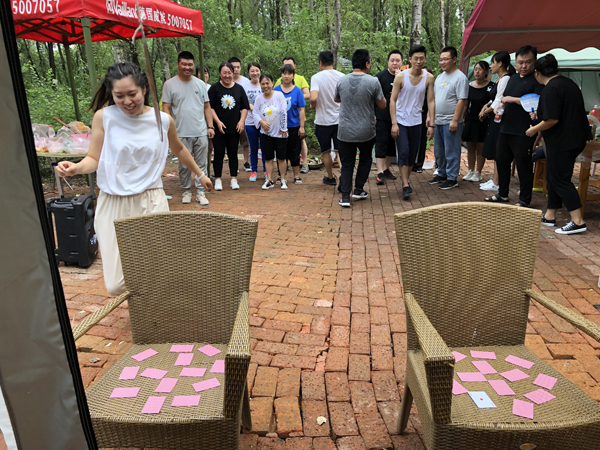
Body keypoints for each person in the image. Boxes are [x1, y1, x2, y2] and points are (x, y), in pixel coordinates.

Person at [55, 62, 212, 295]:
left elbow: (179, 148)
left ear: (144, 89)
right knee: (116, 284)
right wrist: (76, 168)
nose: (127, 101)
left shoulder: (163, 120)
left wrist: (200, 174)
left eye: (132, 94)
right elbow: (94, 158)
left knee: (156, 274)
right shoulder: (104, 117)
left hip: (151, 199)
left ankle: (150, 311)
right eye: (119, 96)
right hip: (113, 202)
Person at [525, 54, 591, 234]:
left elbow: (552, 119)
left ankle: (577, 221)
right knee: (554, 176)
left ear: (537, 73)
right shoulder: (568, 84)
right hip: (575, 138)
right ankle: (550, 215)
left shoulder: (550, 89)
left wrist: (533, 129)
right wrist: (540, 116)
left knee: (560, 179)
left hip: (562, 140)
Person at [485, 45, 544, 206]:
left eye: (528, 62)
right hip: (506, 127)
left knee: (523, 165)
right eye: (520, 62)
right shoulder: (513, 78)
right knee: (502, 161)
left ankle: (525, 199)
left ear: (534, 61)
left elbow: (538, 101)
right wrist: (499, 107)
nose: (523, 66)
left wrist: (513, 99)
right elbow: (504, 98)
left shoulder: (537, 79)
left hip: (524, 130)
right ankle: (502, 193)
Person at [335, 49, 386, 207]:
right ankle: (358, 189)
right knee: (365, 159)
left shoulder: (342, 80)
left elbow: (337, 99)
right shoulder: (373, 82)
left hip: (345, 130)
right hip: (366, 130)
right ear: (367, 64)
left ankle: (345, 197)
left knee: (347, 163)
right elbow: (382, 104)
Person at [162, 51, 214, 206]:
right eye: (184, 64)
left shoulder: (200, 84)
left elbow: (207, 106)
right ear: (178, 64)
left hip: (200, 130)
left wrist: (210, 126)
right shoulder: (169, 84)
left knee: (202, 163)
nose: (187, 67)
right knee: (184, 165)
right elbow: (166, 108)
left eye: (190, 64)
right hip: (180, 132)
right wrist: (169, 129)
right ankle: (186, 191)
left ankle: (201, 192)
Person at [390, 45, 435, 199]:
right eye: (415, 58)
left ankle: (405, 180)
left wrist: (431, 123)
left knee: (412, 154)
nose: (418, 61)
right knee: (403, 151)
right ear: (410, 59)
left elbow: (431, 100)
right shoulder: (401, 77)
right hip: (401, 120)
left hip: (417, 121)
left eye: (421, 58)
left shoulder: (429, 78)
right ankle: (405, 184)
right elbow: (393, 100)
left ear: (425, 59)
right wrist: (394, 123)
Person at [429, 46, 469, 190]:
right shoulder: (440, 77)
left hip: (451, 121)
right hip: (438, 120)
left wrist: (455, 120)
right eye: (441, 59)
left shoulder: (460, 78)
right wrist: (430, 117)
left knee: (451, 150)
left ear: (454, 59)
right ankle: (442, 173)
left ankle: (452, 177)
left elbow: (462, 100)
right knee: (439, 151)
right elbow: (433, 99)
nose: (442, 62)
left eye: (445, 59)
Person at [209, 61, 250, 191]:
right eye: (224, 73)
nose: (227, 75)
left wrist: (241, 121)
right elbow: (210, 107)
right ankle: (218, 179)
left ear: (233, 73)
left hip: (234, 127)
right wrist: (217, 122)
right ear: (220, 73)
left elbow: (245, 107)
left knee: (233, 153)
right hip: (219, 128)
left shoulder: (239, 89)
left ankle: (233, 178)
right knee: (219, 153)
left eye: (229, 72)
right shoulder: (214, 88)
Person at [479, 52, 515, 192]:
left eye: (493, 63)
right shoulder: (499, 79)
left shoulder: (505, 79)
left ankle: (497, 182)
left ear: (500, 64)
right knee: (495, 149)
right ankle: (495, 179)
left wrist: (485, 111)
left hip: (499, 118)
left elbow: (499, 100)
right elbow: (493, 99)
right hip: (494, 117)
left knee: (498, 151)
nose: (491, 66)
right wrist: (486, 106)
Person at [310, 50, 344, 186]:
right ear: (333, 62)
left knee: (326, 151)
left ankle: (330, 177)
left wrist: (313, 105)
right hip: (340, 120)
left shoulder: (316, 77)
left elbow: (313, 97)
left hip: (323, 121)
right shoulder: (342, 76)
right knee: (340, 151)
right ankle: (344, 178)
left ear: (320, 63)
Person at [275, 57, 311, 173]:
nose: (286, 76)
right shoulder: (276, 90)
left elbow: (301, 109)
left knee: (295, 151)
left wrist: (302, 126)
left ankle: (296, 175)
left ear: (293, 75)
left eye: (289, 74)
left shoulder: (298, 91)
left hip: (294, 125)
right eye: (284, 73)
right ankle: (282, 175)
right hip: (280, 127)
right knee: (281, 152)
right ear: (281, 75)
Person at [253, 74, 289, 190]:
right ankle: (269, 180)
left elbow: (283, 111)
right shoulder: (259, 99)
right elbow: (255, 112)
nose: (265, 86)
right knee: (268, 157)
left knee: (281, 157)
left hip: (279, 132)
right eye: (262, 84)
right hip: (266, 133)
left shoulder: (279, 95)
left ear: (272, 83)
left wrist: (283, 128)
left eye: (267, 83)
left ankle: (283, 179)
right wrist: (261, 122)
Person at [374, 50, 403, 185]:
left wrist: (399, 78)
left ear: (402, 62)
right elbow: (373, 97)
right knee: (381, 143)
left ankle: (386, 169)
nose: (395, 63)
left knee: (392, 146)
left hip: (399, 117)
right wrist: (373, 114)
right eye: (392, 60)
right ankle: (379, 171)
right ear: (388, 62)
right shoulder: (379, 77)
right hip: (382, 116)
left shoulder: (405, 77)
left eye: (397, 60)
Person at [461, 60, 492, 183]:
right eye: (475, 69)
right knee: (470, 146)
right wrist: (462, 118)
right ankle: (470, 170)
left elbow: (493, 102)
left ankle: (478, 172)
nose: (477, 72)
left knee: (480, 146)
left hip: (483, 120)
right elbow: (465, 103)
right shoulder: (469, 86)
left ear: (486, 71)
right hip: (470, 119)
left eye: (480, 69)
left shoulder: (491, 87)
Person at [244, 62, 267, 182]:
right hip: (250, 122)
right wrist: (251, 106)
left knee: (264, 147)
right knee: (253, 148)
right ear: (248, 73)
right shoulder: (245, 86)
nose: (255, 73)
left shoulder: (264, 85)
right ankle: (254, 171)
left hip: (264, 122)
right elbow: (243, 102)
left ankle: (266, 170)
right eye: (252, 71)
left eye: (257, 70)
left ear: (260, 71)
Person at [228, 57, 252, 172]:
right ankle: (234, 164)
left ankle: (246, 162)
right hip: (229, 117)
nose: (236, 69)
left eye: (238, 67)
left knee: (245, 142)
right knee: (231, 143)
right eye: (233, 67)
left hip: (244, 117)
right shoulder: (225, 80)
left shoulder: (246, 82)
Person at [413, 66, 433, 173]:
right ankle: (411, 163)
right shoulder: (415, 86)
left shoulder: (430, 89)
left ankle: (419, 164)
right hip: (413, 115)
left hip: (424, 115)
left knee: (422, 140)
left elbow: (431, 103)